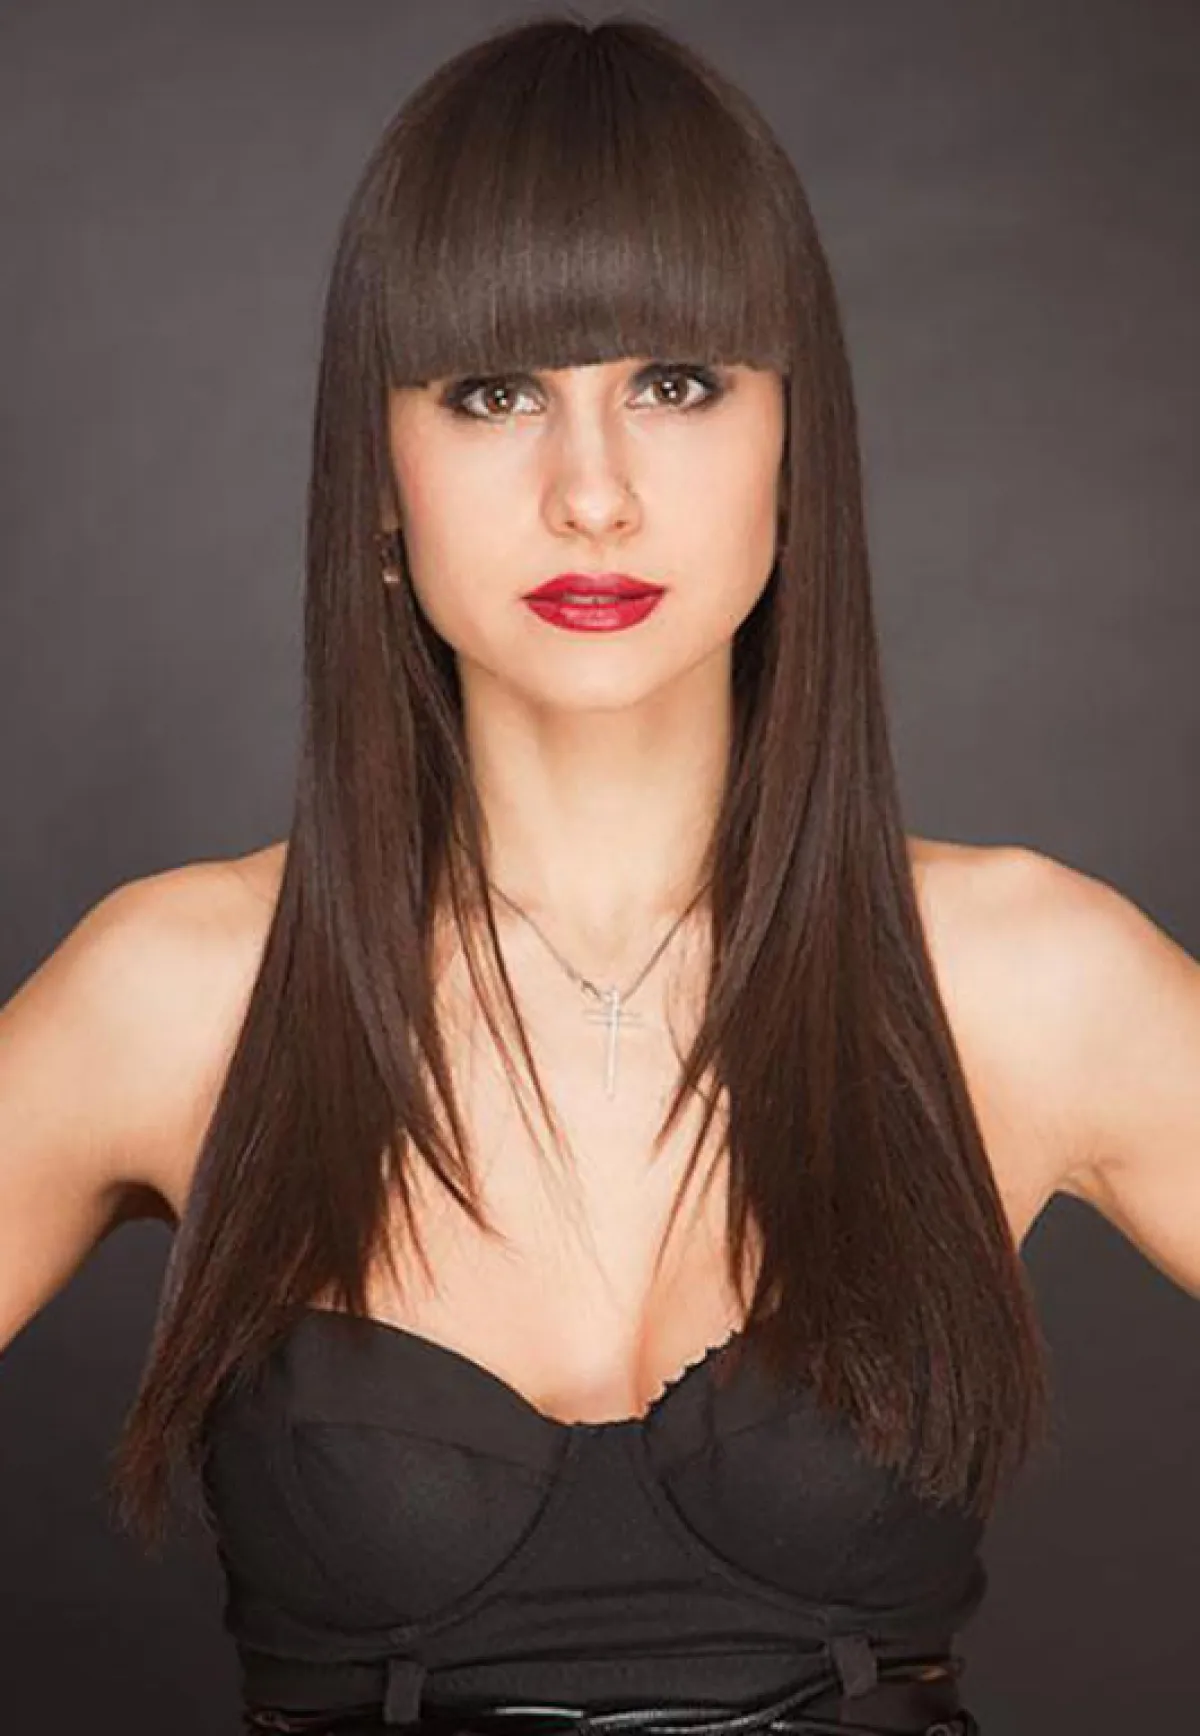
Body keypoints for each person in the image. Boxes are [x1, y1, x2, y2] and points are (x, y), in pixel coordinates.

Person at [1, 14, 1197, 1736]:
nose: (593, 493)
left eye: (677, 383)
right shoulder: (180, 991)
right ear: (381, 474)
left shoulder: (1025, 974)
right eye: (495, 394)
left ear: (796, 439)